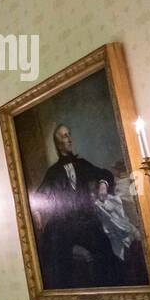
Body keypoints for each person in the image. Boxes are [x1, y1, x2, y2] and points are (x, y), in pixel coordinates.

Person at [32, 123, 125, 289]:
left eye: (69, 134)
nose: (69, 139)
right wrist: (38, 212)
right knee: (54, 251)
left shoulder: (82, 163)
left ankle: (110, 289)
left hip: (86, 219)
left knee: (104, 249)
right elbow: (39, 195)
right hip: (64, 222)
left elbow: (104, 173)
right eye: (65, 136)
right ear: (58, 143)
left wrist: (103, 184)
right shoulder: (53, 171)